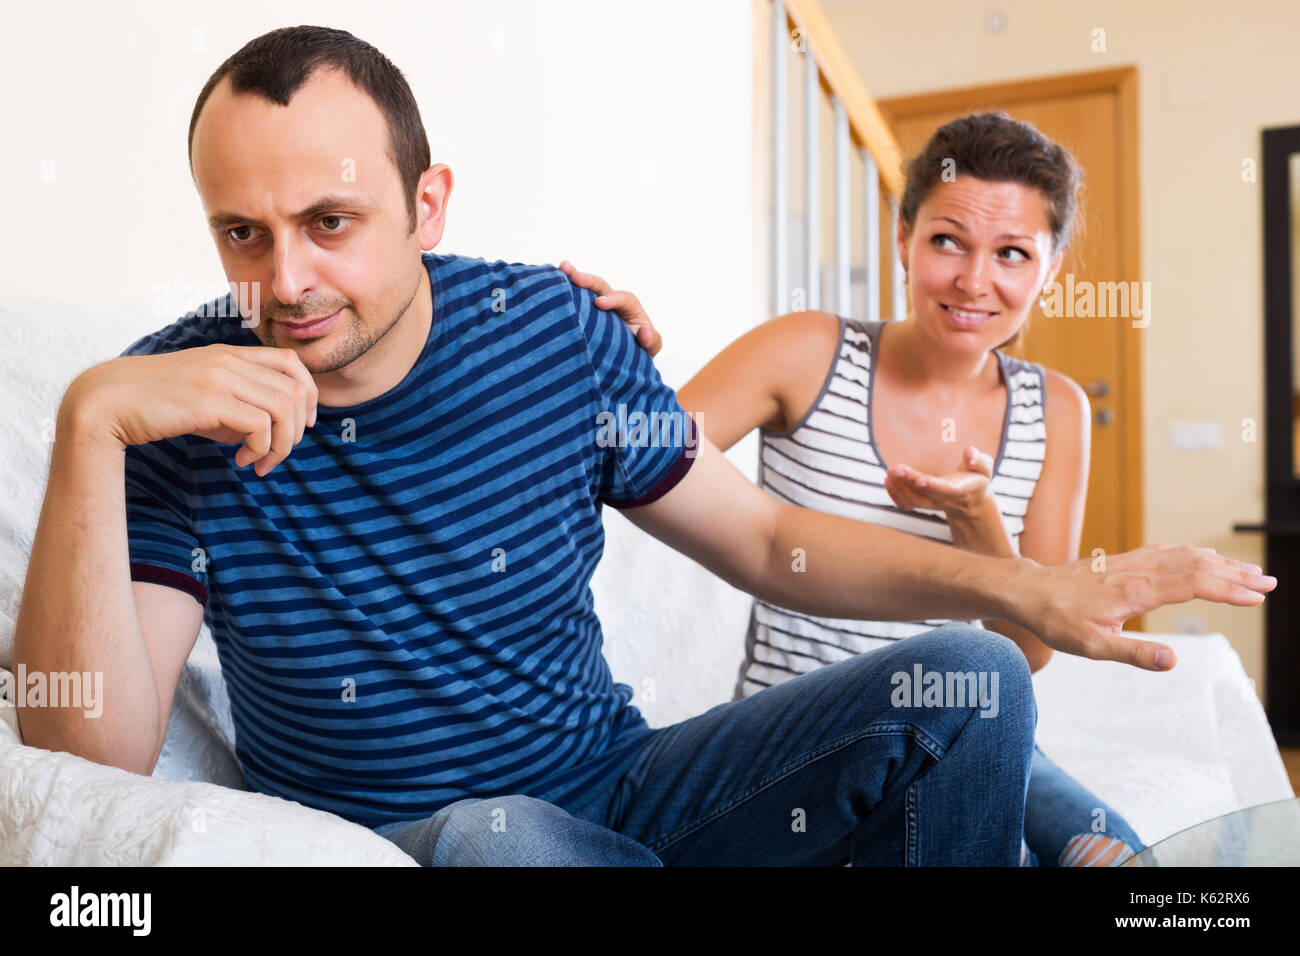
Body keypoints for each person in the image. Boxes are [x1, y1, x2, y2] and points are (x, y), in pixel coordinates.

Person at [13, 27, 1273, 867]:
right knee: (495, 837)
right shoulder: (173, 404)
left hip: (623, 780)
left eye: (330, 221)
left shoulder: (554, 330)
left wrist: (1017, 586)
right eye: (242, 232)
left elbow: (769, 539)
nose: (285, 280)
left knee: (968, 680)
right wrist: (89, 421)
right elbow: (88, 757)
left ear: (426, 203)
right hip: (446, 831)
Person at [565, 111, 1149, 866]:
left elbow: (1030, 649)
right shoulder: (809, 352)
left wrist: (976, 518)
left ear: (1050, 269)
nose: (975, 281)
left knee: (1122, 859)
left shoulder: (1057, 409)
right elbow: (635, 461)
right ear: (902, 236)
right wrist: (619, 357)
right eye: (948, 241)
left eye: (1012, 254)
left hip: (971, 722)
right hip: (817, 737)